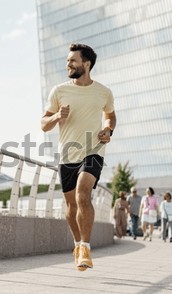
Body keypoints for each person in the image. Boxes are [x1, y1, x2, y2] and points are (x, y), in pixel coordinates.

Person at [41, 43, 116, 271]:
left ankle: (85, 247)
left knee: (84, 194)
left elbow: (110, 116)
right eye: (67, 61)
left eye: (72, 60)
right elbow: (43, 124)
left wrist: (108, 130)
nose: (68, 64)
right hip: (67, 154)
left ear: (86, 63)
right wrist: (55, 117)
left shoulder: (103, 92)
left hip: (93, 150)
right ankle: (76, 243)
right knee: (71, 206)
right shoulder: (59, 91)